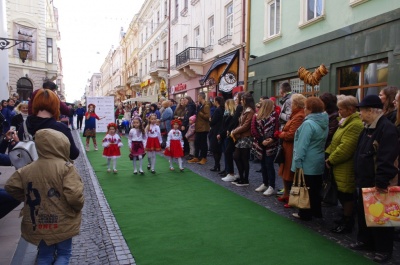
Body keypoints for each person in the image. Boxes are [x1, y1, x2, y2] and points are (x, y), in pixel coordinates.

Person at [5, 129, 84, 265]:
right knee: (64, 254)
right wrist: (77, 208)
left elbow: (11, 186)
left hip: (38, 220)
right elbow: (75, 196)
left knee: (44, 256)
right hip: (63, 220)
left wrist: (25, 198)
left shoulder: (28, 168)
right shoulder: (66, 168)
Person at [350, 95, 399, 263]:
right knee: (364, 214)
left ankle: (383, 249)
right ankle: (366, 241)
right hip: (365, 179)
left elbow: (387, 157)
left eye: (361, 111)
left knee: (382, 218)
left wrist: (381, 181)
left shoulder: (387, 128)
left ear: (370, 111)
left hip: (378, 182)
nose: (359, 114)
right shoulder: (368, 127)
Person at [325, 95, 364, 234]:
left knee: (347, 195)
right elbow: (336, 141)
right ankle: (345, 218)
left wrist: (331, 159)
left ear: (350, 109)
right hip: (340, 165)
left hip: (346, 166)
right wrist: (328, 153)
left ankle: (348, 223)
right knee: (343, 194)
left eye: (341, 109)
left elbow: (346, 148)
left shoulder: (355, 125)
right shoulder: (345, 122)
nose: (339, 111)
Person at [291, 97, 328, 221]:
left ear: (310, 109)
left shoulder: (308, 123)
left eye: (305, 107)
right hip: (318, 159)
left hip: (307, 160)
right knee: (315, 188)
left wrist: (298, 161)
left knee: (305, 187)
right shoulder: (324, 121)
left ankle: (305, 213)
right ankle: (316, 211)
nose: (304, 110)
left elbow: (302, 145)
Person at [17, 88, 80, 161]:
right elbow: (74, 154)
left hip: (29, 170)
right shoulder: (61, 128)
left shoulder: (24, 126)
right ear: (55, 105)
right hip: (53, 170)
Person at [276, 94, 306, 206]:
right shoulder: (295, 115)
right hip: (286, 146)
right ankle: (286, 194)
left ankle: (292, 198)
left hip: (291, 147)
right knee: (285, 171)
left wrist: (281, 134)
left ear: (297, 104)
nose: (291, 105)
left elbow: (291, 135)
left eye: (292, 103)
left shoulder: (299, 116)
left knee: (290, 173)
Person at [252, 99, 279, 196]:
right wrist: (261, 140)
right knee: (263, 164)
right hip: (260, 143)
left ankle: (271, 186)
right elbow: (253, 129)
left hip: (271, 144)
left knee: (269, 164)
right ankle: (265, 183)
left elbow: (277, 128)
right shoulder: (256, 116)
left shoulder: (275, 116)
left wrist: (272, 139)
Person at [230, 92, 256, 187]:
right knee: (237, 157)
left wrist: (234, 131)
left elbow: (246, 126)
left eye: (242, 100)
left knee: (243, 158)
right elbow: (241, 124)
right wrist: (235, 131)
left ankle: (245, 179)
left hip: (246, 137)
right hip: (241, 136)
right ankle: (242, 177)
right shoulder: (245, 110)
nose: (240, 101)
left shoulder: (250, 111)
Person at [221, 92, 244, 182]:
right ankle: (236, 173)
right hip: (232, 133)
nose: (235, 101)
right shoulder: (231, 111)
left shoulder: (238, 109)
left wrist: (230, 130)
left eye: (236, 99)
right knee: (234, 155)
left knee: (231, 153)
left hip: (234, 134)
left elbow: (234, 121)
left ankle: (232, 173)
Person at [188, 92, 210, 165]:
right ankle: (197, 157)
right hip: (198, 127)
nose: (197, 98)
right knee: (197, 143)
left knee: (203, 144)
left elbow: (207, 117)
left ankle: (204, 158)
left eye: (198, 97)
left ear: (201, 97)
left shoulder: (206, 106)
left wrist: (200, 113)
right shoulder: (200, 106)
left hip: (203, 128)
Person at [209, 96, 224, 172]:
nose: (213, 102)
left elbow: (213, 121)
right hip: (218, 131)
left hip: (216, 131)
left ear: (217, 101)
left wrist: (210, 120)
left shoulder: (218, 110)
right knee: (218, 150)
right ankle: (217, 165)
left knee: (215, 149)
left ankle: (217, 165)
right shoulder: (221, 109)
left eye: (214, 101)